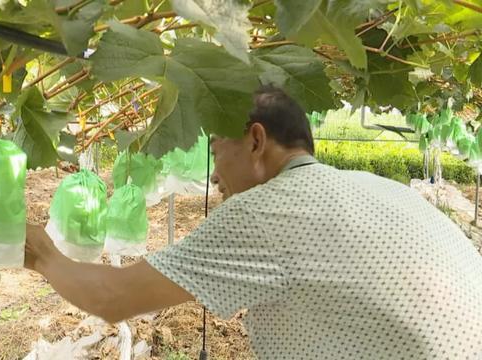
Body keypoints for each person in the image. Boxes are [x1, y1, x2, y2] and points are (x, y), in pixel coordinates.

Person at [24, 85, 482, 359]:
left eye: (217, 148)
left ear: (256, 141)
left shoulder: (266, 212)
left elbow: (113, 297)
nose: (214, 173)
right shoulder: (377, 185)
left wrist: (41, 253)